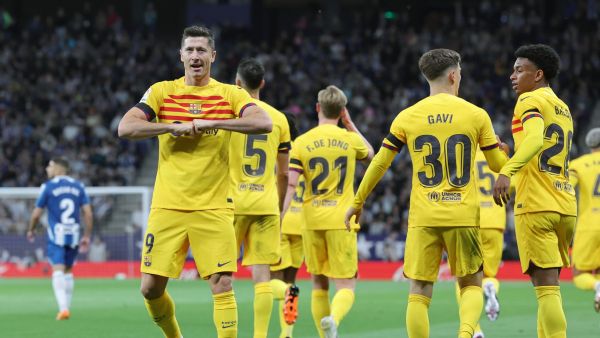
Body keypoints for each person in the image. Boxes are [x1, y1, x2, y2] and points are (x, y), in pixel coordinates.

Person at [118, 26, 272, 338]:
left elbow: (263, 122)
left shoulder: (229, 93)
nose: (195, 56)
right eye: (189, 50)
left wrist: (215, 122)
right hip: (168, 206)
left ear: (213, 56)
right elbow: (126, 128)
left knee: (222, 283)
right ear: (181, 56)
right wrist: (168, 128)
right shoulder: (162, 91)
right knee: (149, 289)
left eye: (202, 50)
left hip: (213, 206)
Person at [346, 49, 508, 338]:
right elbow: (497, 166)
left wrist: (358, 202)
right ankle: (466, 333)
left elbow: (380, 163)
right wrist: (504, 152)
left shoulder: (408, 116)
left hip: (424, 216)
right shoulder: (476, 114)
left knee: (419, 291)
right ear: (454, 75)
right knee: (471, 283)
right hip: (462, 215)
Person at [493, 44, 576, 338]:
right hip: (565, 205)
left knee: (546, 290)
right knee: (548, 286)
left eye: (520, 70)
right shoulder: (563, 108)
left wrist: (505, 170)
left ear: (538, 74)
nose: (512, 76)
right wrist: (508, 157)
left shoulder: (529, 100)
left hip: (537, 206)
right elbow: (537, 155)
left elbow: (536, 141)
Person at [284, 85, 374, 338]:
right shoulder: (348, 139)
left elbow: (291, 183)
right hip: (341, 219)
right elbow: (371, 154)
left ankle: (325, 335)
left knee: (318, 283)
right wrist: (350, 124)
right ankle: (333, 319)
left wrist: (281, 213)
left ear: (317, 108)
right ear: (342, 111)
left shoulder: (301, 142)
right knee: (346, 284)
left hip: (311, 220)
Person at [228, 58, 291, 338]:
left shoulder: (228, 115)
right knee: (263, 278)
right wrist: (276, 205)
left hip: (232, 203)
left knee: (221, 277)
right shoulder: (279, 119)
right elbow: (284, 173)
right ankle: (262, 334)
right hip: (265, 203)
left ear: (237, 84)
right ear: (262, 84)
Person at [27, 157, 94, 320]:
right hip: (74, 234)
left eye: (49, 166)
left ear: (58, 168)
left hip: (56, 235)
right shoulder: (79, 186)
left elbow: (36, 214)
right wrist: (87, 235)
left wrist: (31, 229)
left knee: (57, 269)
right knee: (69, 271)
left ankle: (63, 309)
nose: (47, 170)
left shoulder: (48, 187)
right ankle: (66, 307)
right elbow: (88, 213)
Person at [455, 148, 508, 338]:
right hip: (495, 223)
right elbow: (514, 184)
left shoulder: (464, 152)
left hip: (471, 221)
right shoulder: (500, 156)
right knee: (490, 275)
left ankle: (474, 331)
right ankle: (490, 287)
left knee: (464, 280)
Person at [270, 112, 303, 338]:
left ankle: (288, 293)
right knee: (291, 282)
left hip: (280, 218)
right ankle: (287, 334)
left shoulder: (276, 151)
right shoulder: (304, 149)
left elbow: (280, 180)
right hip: (301, 223)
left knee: (271, 282)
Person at [569, 128, 600, 311]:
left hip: (588, 225)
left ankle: (597, 288)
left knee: (579, 274)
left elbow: (567, 189)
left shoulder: (578, 164)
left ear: (589, 144)